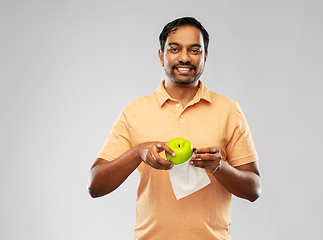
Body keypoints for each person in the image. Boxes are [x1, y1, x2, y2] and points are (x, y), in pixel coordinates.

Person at [88, 16, 261, 239]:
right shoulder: (134, 112)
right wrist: (137, 153)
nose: (184, 58)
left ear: (205, 57)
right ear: (161, 56)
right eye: (175, 48)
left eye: (195, 50)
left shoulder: (228, 110)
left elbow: (254, 189)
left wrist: (220, 166)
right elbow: (95, 185)